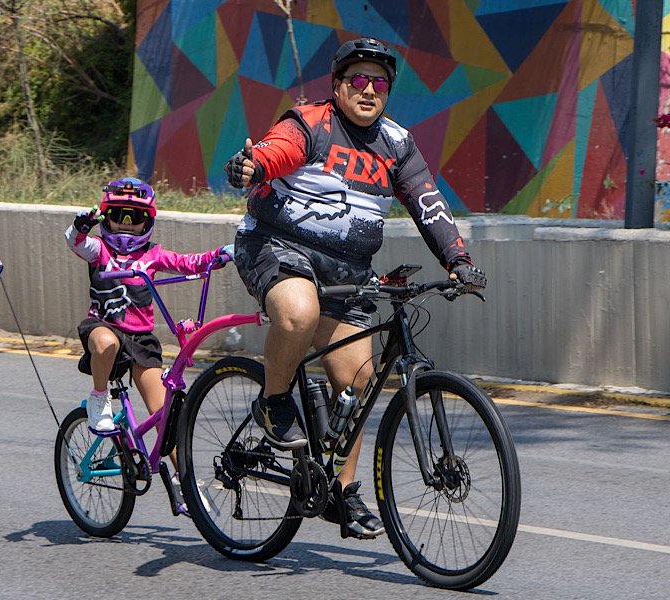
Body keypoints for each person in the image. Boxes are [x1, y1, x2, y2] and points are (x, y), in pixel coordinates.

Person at [223, 38, 486, 539]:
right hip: (277, 246)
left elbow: (427, 201)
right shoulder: (310, 123)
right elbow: (277, 152)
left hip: (347, 270)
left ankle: (341, 492)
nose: (369, 90)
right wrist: (252, 165)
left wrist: (458, 260)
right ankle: (274, 401)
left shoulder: (398, 144)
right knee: (298, 312)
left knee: (358, 382)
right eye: (358, 80)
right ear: (338, 85)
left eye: (379, 82)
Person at [66, 177, 232, 492]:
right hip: (104, 327)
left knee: (164, 416)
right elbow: (76, 243)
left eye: (136, 217)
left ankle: (186, 483)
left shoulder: (153, 254)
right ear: (106, 217)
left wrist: (222, 254)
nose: (127, 223)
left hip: (141, 341)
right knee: (106, 342)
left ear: (148, 221)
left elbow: (188, 263)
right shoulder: (98, 249)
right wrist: (80, 227)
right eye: (119, 215)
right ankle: (99, 399)